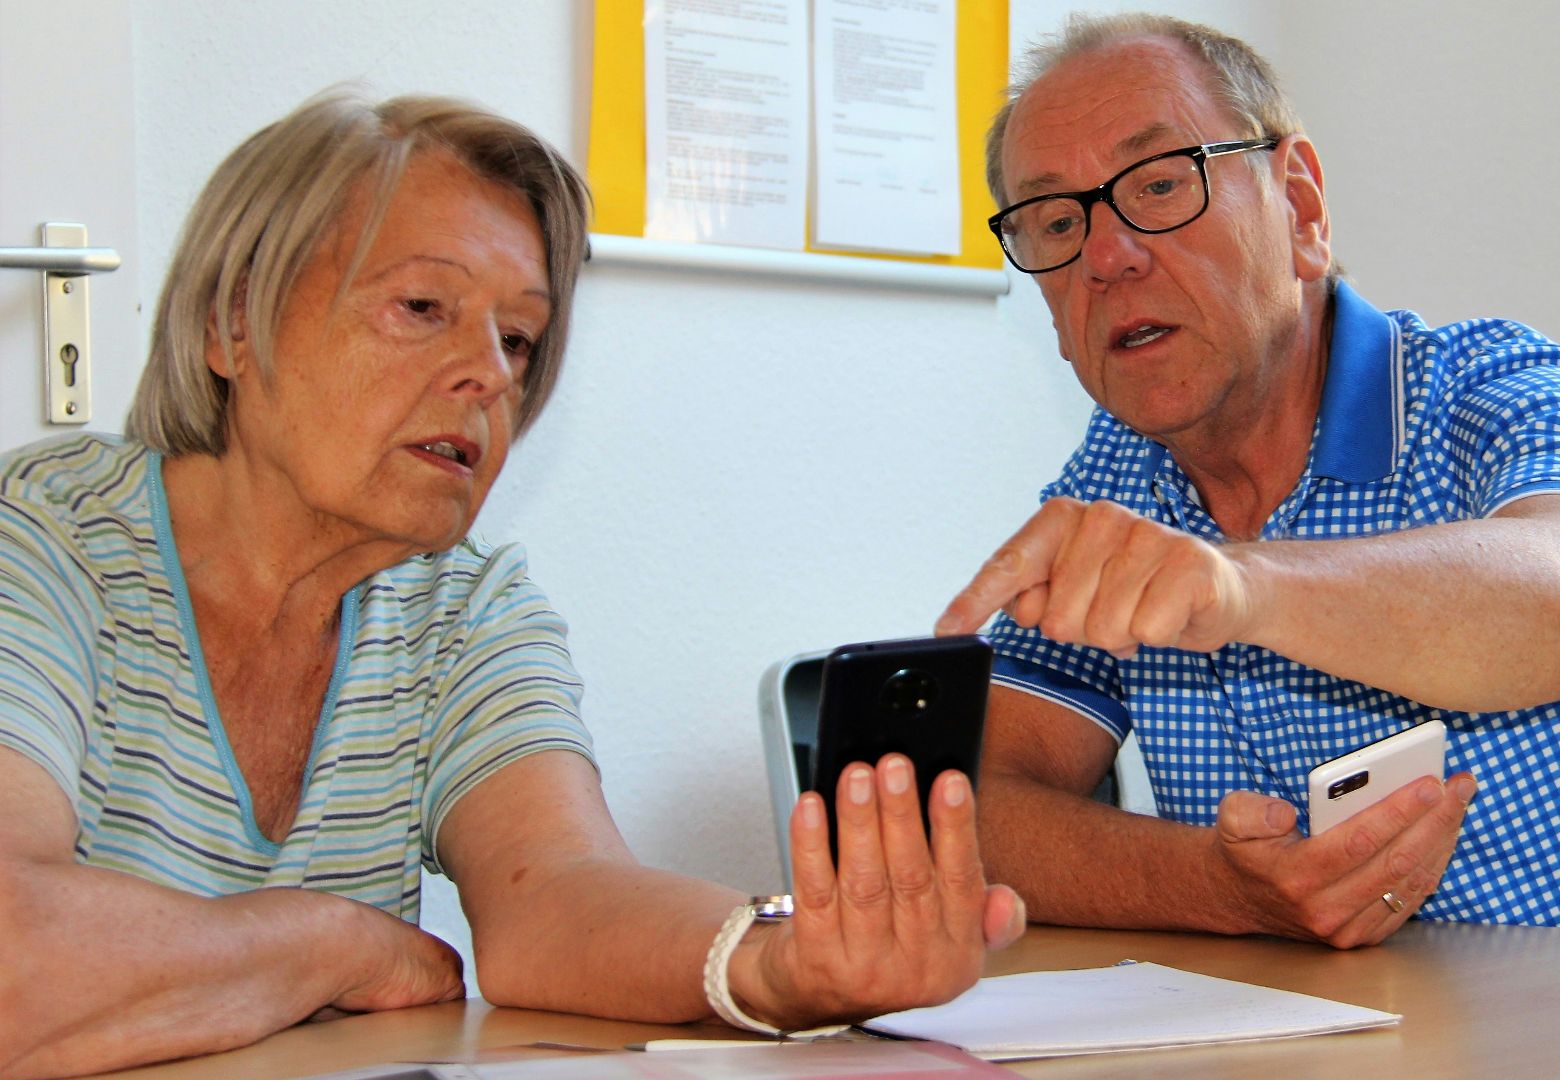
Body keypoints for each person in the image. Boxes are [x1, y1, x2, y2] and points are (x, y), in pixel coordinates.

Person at [0, 91, 1022, 1077]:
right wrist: (331, 945)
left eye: (518, 338)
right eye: (422, 306)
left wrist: (777, 963)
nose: (489, 372)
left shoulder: (467, 603)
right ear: (231, 323)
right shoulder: (42, 538)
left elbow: (560, 898)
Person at [935, 12, 1560, 947]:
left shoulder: (1502, 390)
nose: (1107, 257)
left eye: (1161, 184)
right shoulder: (1120, 479)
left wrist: (1237, 585)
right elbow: (982, 809)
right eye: (1055, 222)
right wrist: (1222, 890)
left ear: (1301, 209)